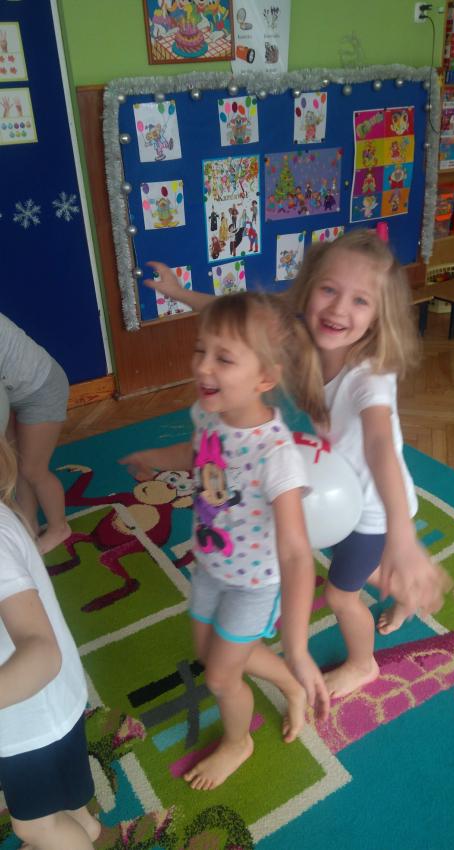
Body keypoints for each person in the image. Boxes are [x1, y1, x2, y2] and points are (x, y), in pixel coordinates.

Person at [143, 231, 446, 701]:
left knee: (341, 594)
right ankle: (404, 588)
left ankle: (363, 664)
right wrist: (179, 293)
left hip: (372, 511)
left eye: (360, 300)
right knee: (352, 565)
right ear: (308, 288)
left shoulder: (370, 378)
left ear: (379, 315)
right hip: (336, 496)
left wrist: (403, 540)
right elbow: (237, 320)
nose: (338, 308)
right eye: (329, 289)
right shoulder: (300, 327)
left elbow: (381, 445)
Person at [121, 291, 330, 791]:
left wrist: (297, 647)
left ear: (265, 378)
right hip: (210, 565)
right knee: (210, 652)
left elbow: (296, 553)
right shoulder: (209, 413)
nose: (202, 366)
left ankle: (239, 742)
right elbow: (198, 454)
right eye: (201, 350)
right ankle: (286, 683)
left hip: (253, 584)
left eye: (224, 358)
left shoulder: (277, 456)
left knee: (220, 676)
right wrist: (156, 458)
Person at [0, 433, 99, 849]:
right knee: (66, 792)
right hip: (49, 702)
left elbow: (41, 653)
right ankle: (84, 828)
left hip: (29, 715)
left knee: (34, 826)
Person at [1, 312, 71, 554]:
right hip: (12, 393)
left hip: (41, 392)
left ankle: (59, 528)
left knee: (33, 469)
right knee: (15, 463)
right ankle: (28, 524)